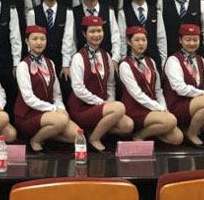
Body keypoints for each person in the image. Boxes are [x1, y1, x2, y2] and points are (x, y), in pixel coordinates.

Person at [67, 16, 133, 152]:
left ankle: (93, 130)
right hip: (82, 108)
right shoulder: (78, 57)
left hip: (101, 106)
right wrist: (101, 103)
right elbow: (78, 89)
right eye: (92, 31)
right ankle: (94, 139)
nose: (96, 35)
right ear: (84, 34)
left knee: (128, 125)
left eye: (99, 31)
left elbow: (110, 84)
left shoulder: (106, 56)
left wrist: (110, 102)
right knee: (119, 108)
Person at [14, 25, 80, 153]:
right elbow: (28, 98)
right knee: (61, 120)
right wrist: (54, 109)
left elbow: (57, 94)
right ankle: (35, 140)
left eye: (42, 39)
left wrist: (61, 109)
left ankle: (46, 135)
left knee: (76, 135)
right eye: (35, 39)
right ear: (27, 41)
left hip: (49, 113)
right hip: (28, 114)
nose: (39, 42)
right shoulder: (23, 65)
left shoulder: (50, 63)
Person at [163, 24, 204, 148]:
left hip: (199, 103)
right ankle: (192, 134)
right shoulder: (173, 60)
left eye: (195, 40)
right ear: (180, 40)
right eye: (188, 40)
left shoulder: (200, 60)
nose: (192, 43)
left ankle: (191, 127)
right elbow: (179, 88)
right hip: (177, 104)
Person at [119, 26, 183, 145]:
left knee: (177, 138)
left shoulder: (151, 61)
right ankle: (139, 136)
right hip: (136, 108)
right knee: (170, 120)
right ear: (129, 42)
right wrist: (158, 108)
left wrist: (163, 107)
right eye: (137, 40)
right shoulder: (125, 65)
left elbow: (158, 89)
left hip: (153, 108)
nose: (141, 43)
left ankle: (152, 132)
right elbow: (136, 94)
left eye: (144, 40)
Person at [27, 0, 76, 98]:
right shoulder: (33, 13)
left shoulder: (68, 12)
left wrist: (66, 64)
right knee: (41, 90)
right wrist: (33, 62)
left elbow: (68, 39)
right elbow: (30, 40)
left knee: (65, 89)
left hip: (61, 59)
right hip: (40, 59)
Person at [117, 0, 168, 69]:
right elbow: (122, 39)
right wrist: (123, 58)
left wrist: (163, 60)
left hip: (154, 57)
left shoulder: (156, 11)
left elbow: (161, 38)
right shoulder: (123, 12)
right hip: (132, 58)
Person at [73, 0, 125, 65]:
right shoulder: (74, 12)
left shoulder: (109, 11)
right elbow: (72, 39)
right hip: (82, 60)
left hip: (107, 60)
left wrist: (115, 59)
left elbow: (115, 37)